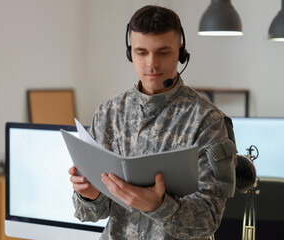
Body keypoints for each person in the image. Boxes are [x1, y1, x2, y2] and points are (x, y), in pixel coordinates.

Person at [69, 5, 237, 240]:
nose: (152, 64)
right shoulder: (108, 113)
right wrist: (89, 195)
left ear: (181, 52)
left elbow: (209, 220)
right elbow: (88, 214)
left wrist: (158, 207)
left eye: (163, 52)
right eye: (141, 52)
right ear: (130, 54)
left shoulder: (207, 121)